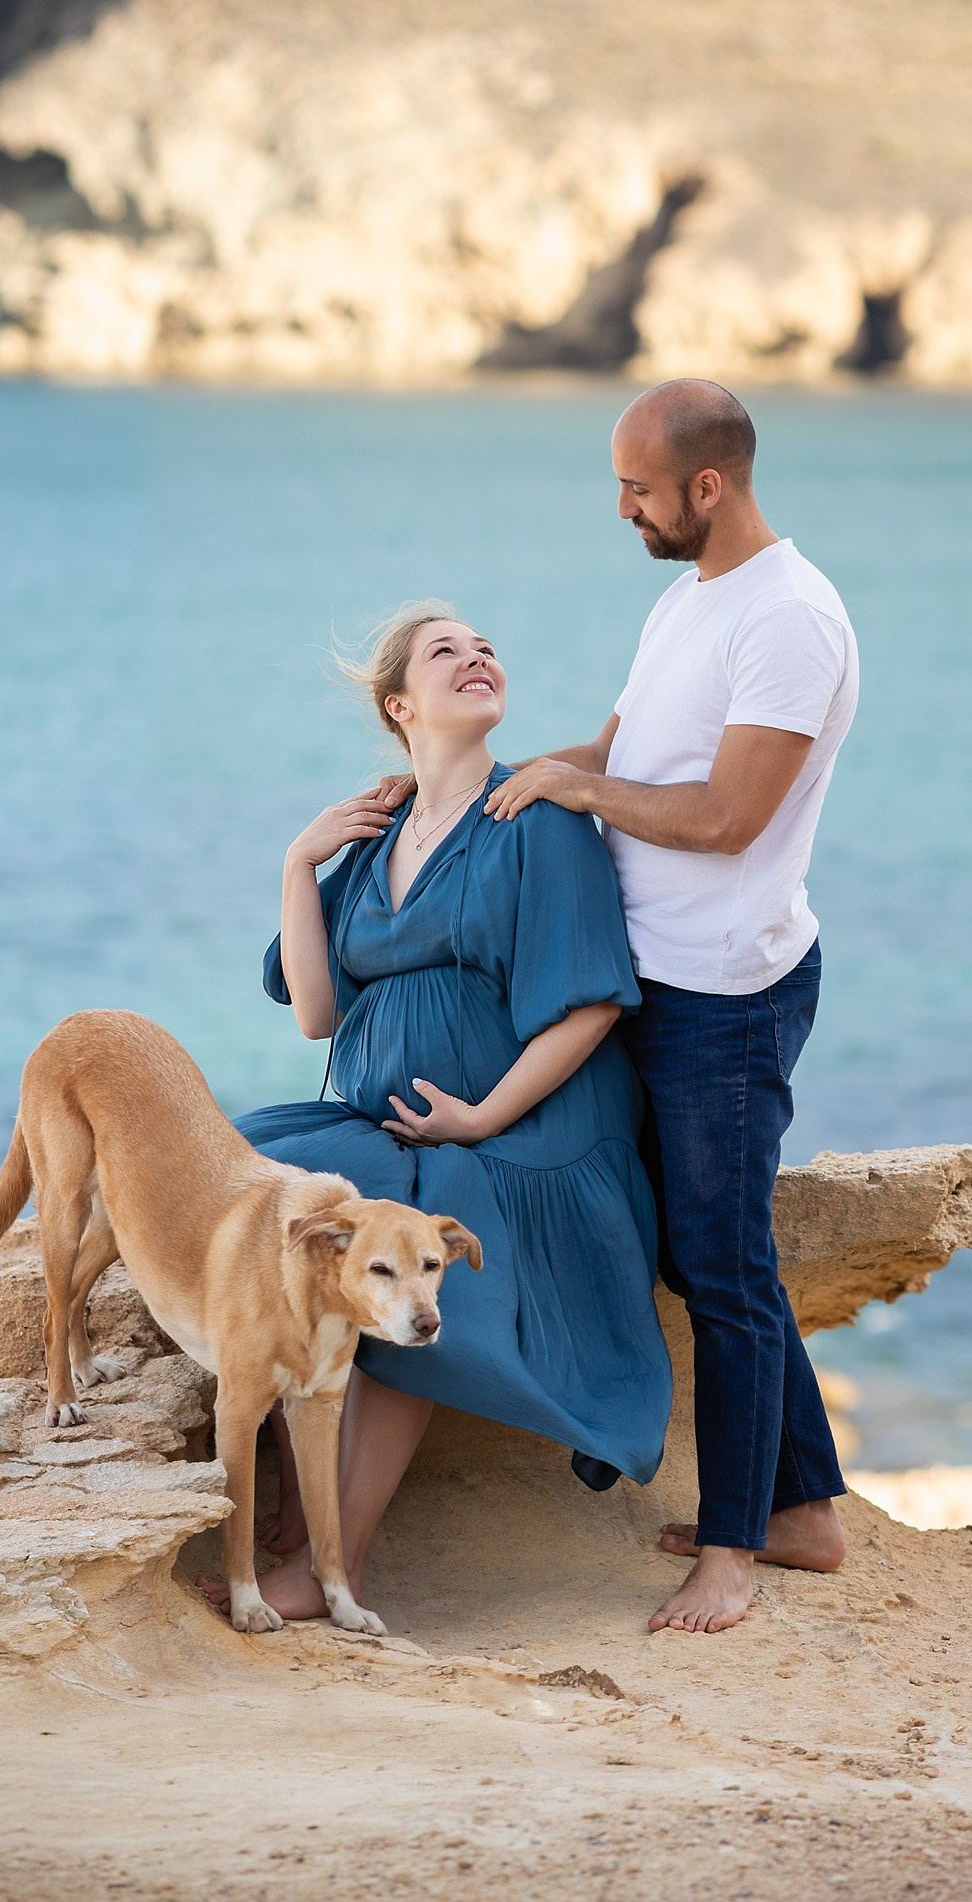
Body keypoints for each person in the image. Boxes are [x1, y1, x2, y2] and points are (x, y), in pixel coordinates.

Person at [487, 379, 858, 1634]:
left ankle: (737, 1553)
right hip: (647, 976)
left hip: (727, 993)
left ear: (708, 486)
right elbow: (618, 754)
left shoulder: (792, 621)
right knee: (674, 1243)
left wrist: (582, 799)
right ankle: (799, 1506)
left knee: (724, 1262)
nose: (622, 509)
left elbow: (722, 818)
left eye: (638, 489)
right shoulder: (684, 596)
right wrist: (486, 782)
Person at [218, 605, 672, 1624]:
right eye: (444, 652)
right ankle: (298, 1509)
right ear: (398, 705)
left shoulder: (536, 816)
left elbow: (593, 1001)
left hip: (527, 1135)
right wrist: (299, 862)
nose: (476, 657)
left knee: (402, 1259)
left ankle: (335, 1565)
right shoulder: (372, 843)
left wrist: (478, 1119)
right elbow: (315, 1014)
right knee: (250, 1190)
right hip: (394, 1129)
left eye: (485, 647)